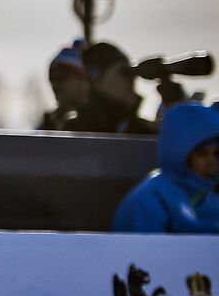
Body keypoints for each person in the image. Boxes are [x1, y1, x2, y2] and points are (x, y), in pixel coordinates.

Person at [112, 101, 219, 233]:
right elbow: (143, 251)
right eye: (202, 153)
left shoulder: (209, 199)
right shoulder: (149, 200)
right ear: (180, 152)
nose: (211, 161)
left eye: (217, 154)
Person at [64, 41, 158, 135]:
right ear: (97, 81)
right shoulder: (77, 130)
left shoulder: (142, 129)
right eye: (124, 73)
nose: (131, 78)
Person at [37, 39, 91, 131]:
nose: (56, 84)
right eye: (52, 78)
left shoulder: (100, 121)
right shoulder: (49, 124)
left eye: (63, 77)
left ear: (85, 80)